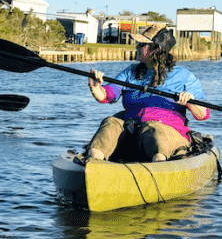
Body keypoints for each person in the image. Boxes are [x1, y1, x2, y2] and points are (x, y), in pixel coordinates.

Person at [82, 26, 210, 164]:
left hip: (167, 133)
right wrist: (95, 87)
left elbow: (203, 115)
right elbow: (107, 96)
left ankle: (159, 164)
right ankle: (94, 162)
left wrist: (190, 102)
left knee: (152, 128)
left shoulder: (185, 76)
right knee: (111, 122)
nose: (137, 47)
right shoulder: (130, 72)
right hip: (131, 131)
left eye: (142, 44)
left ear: (156, 50)